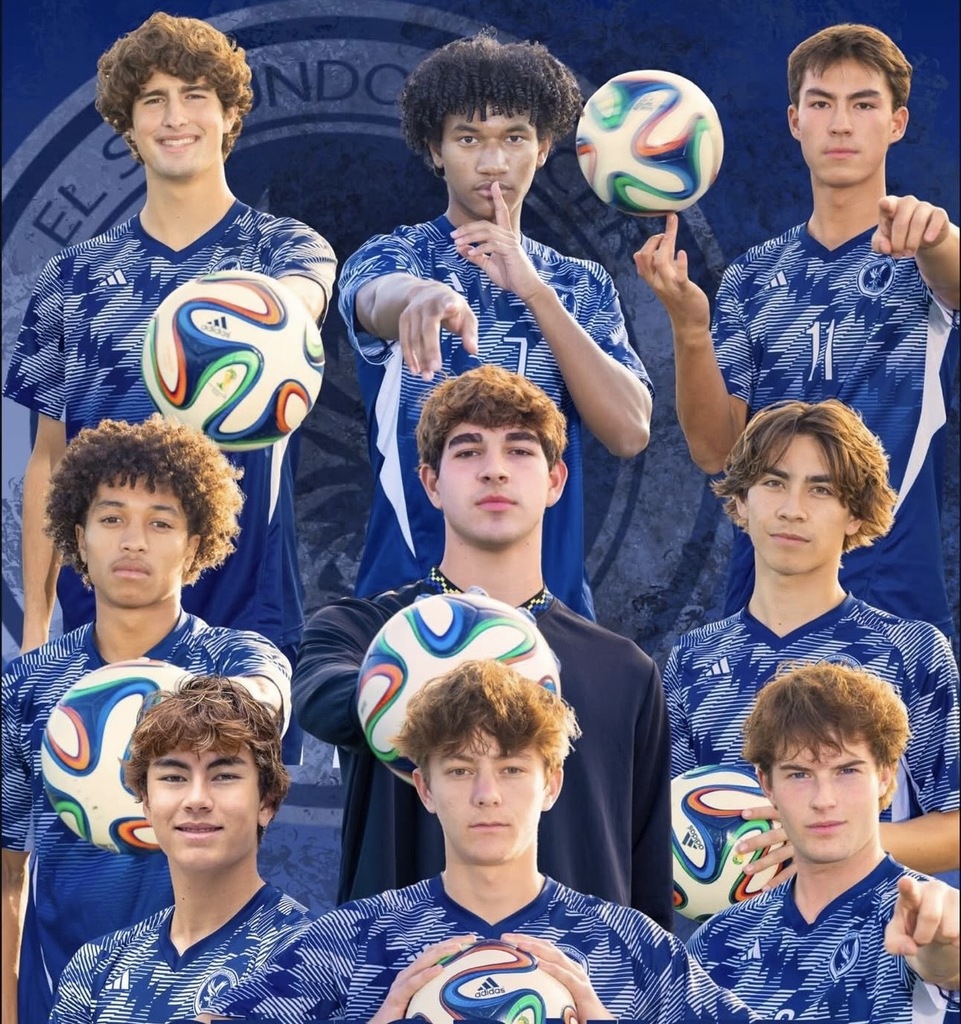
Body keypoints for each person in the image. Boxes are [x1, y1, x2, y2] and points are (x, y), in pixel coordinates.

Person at [3, 11, 337, 668]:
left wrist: (264, 318)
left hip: (248, 617)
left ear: (229, 115)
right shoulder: (72, 277)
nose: (174, 117)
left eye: (194, 97)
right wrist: (37, 627)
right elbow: (48, 459)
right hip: (102, 622)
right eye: (152, 100)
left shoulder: (281, 249)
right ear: (128, 125)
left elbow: (303, 298)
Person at [292, 364, 672, 927]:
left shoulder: (623, 670)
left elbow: (646, 884)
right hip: (401, 979)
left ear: (555, 481)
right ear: (431, 483)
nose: (494, 471)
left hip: (579, 991)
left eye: (519, 451)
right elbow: (322, 702)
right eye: (468, 452)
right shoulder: (362, 633)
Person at [197, 659, 754, 1022]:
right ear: (425, 788)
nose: (487, 794)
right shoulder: (350, 941)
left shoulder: (631, 946)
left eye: (512, 770)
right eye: (461, 770)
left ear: (551, 784)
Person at [635, 23, 960, 637]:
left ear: (896, 122)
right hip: (762, 607)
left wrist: (939, 237)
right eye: (821, 103)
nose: (841, 124)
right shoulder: (751, 276)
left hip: (896, 608)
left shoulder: (923, 252)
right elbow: (717, 453)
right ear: (795, 120)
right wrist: (689, 329)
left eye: (863, 104)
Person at [338, 30, 653, 620]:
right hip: (401, 613)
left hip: (549, 618)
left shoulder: (579, 284)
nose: (492, 162)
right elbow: (376, 298)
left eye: (514, 137)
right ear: (435, 150)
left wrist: (535, 290)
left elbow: (631, 430)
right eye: (468, 139)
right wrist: (422, 296)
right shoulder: (393, 256)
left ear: (543, 147)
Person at [1, 415, 292, 1024]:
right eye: (111, 519)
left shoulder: (236, 660)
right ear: (76, 538)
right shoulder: (29, 685)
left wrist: (202, 712)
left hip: (212, 994)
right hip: (61, 994)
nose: (133, 540)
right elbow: (7, 870)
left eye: (161, 522)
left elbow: (264, 701)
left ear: (196, 544)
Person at [663, 399, 959, 885]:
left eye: (820, 490)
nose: (792, 510)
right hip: (730, 949)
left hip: (869, 945)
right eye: (774, 483)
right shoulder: (692, 659)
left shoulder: (911, 650)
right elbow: (669, 829)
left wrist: (825, 846)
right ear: (741, 501)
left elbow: (954, 830)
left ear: (855, 516)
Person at [688, 662, 960, 1022]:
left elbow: (944, 963)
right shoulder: (715, 941)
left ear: (884, 775)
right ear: (766, 784)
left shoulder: (925, 913)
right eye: (799, 774)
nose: (824, 799)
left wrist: (943, 956)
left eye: (846, 770)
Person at [49, 675, 314, 1023]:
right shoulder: (96, 966)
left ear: (267, 801)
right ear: (145, 801)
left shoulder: (313, 954)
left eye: (224, 776)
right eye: (174, 777)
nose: (197, 800)